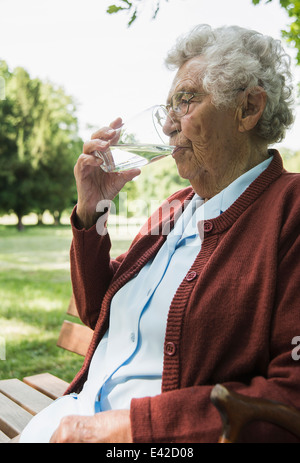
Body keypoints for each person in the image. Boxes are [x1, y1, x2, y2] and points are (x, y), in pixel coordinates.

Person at [19, 24, 300, 443]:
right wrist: (91, 212)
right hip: (69, 417)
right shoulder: (175, 205)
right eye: (167, 106)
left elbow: (290, 397)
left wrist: (136, 428)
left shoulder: (290, 209)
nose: (168, 126)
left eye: (185, 101)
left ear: (248, 109)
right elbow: (96, 311)